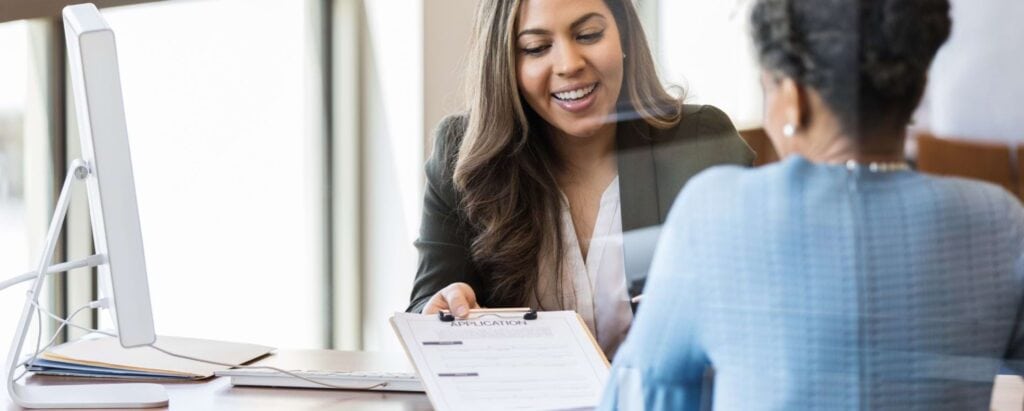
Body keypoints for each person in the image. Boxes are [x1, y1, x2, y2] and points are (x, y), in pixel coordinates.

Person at [601, 0, 1024, 409]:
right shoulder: (999, 220)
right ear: (915, 87)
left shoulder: (716, 210)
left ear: (793, 97)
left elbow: (641, 393)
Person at [407, 0, 753, 357]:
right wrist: (440, 310)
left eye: (588, 35)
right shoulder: (462, 154)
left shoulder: (699, 142)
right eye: (536, 48)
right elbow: (425, 307)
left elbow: (757, 310)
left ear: (625, 39)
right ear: (505, 64)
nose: (569, 64)